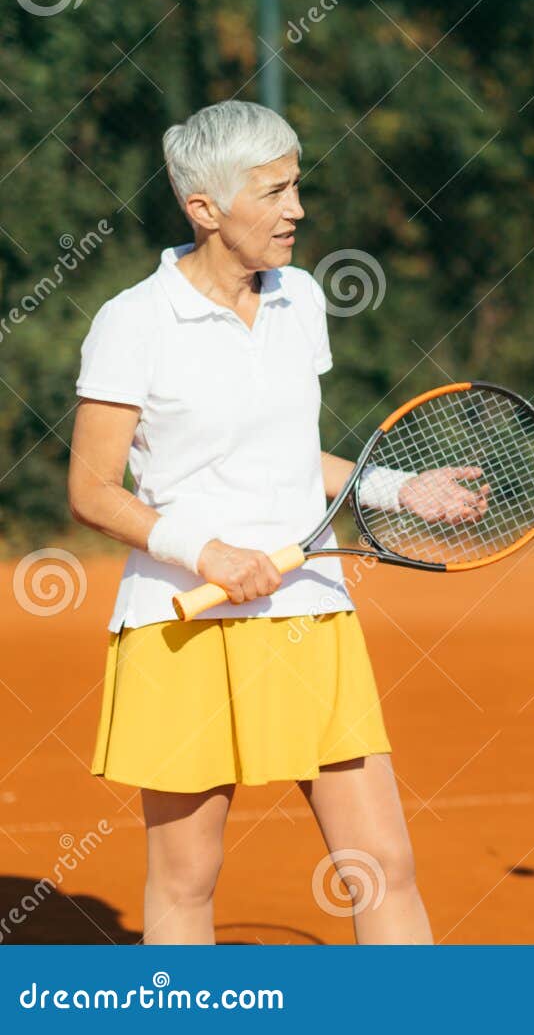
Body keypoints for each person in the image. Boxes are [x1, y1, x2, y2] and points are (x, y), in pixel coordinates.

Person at [67, 100, 480, 944]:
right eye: (275, 192)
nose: (297, 209)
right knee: (187, 882)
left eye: (298, 186)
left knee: (384, 866)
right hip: (183, 627)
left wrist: (402, 488)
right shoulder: (132, 322)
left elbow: (296, 457)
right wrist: (205, 551)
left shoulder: (301, 298)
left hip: (310, 612)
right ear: (205, 209)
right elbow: (92, 489)